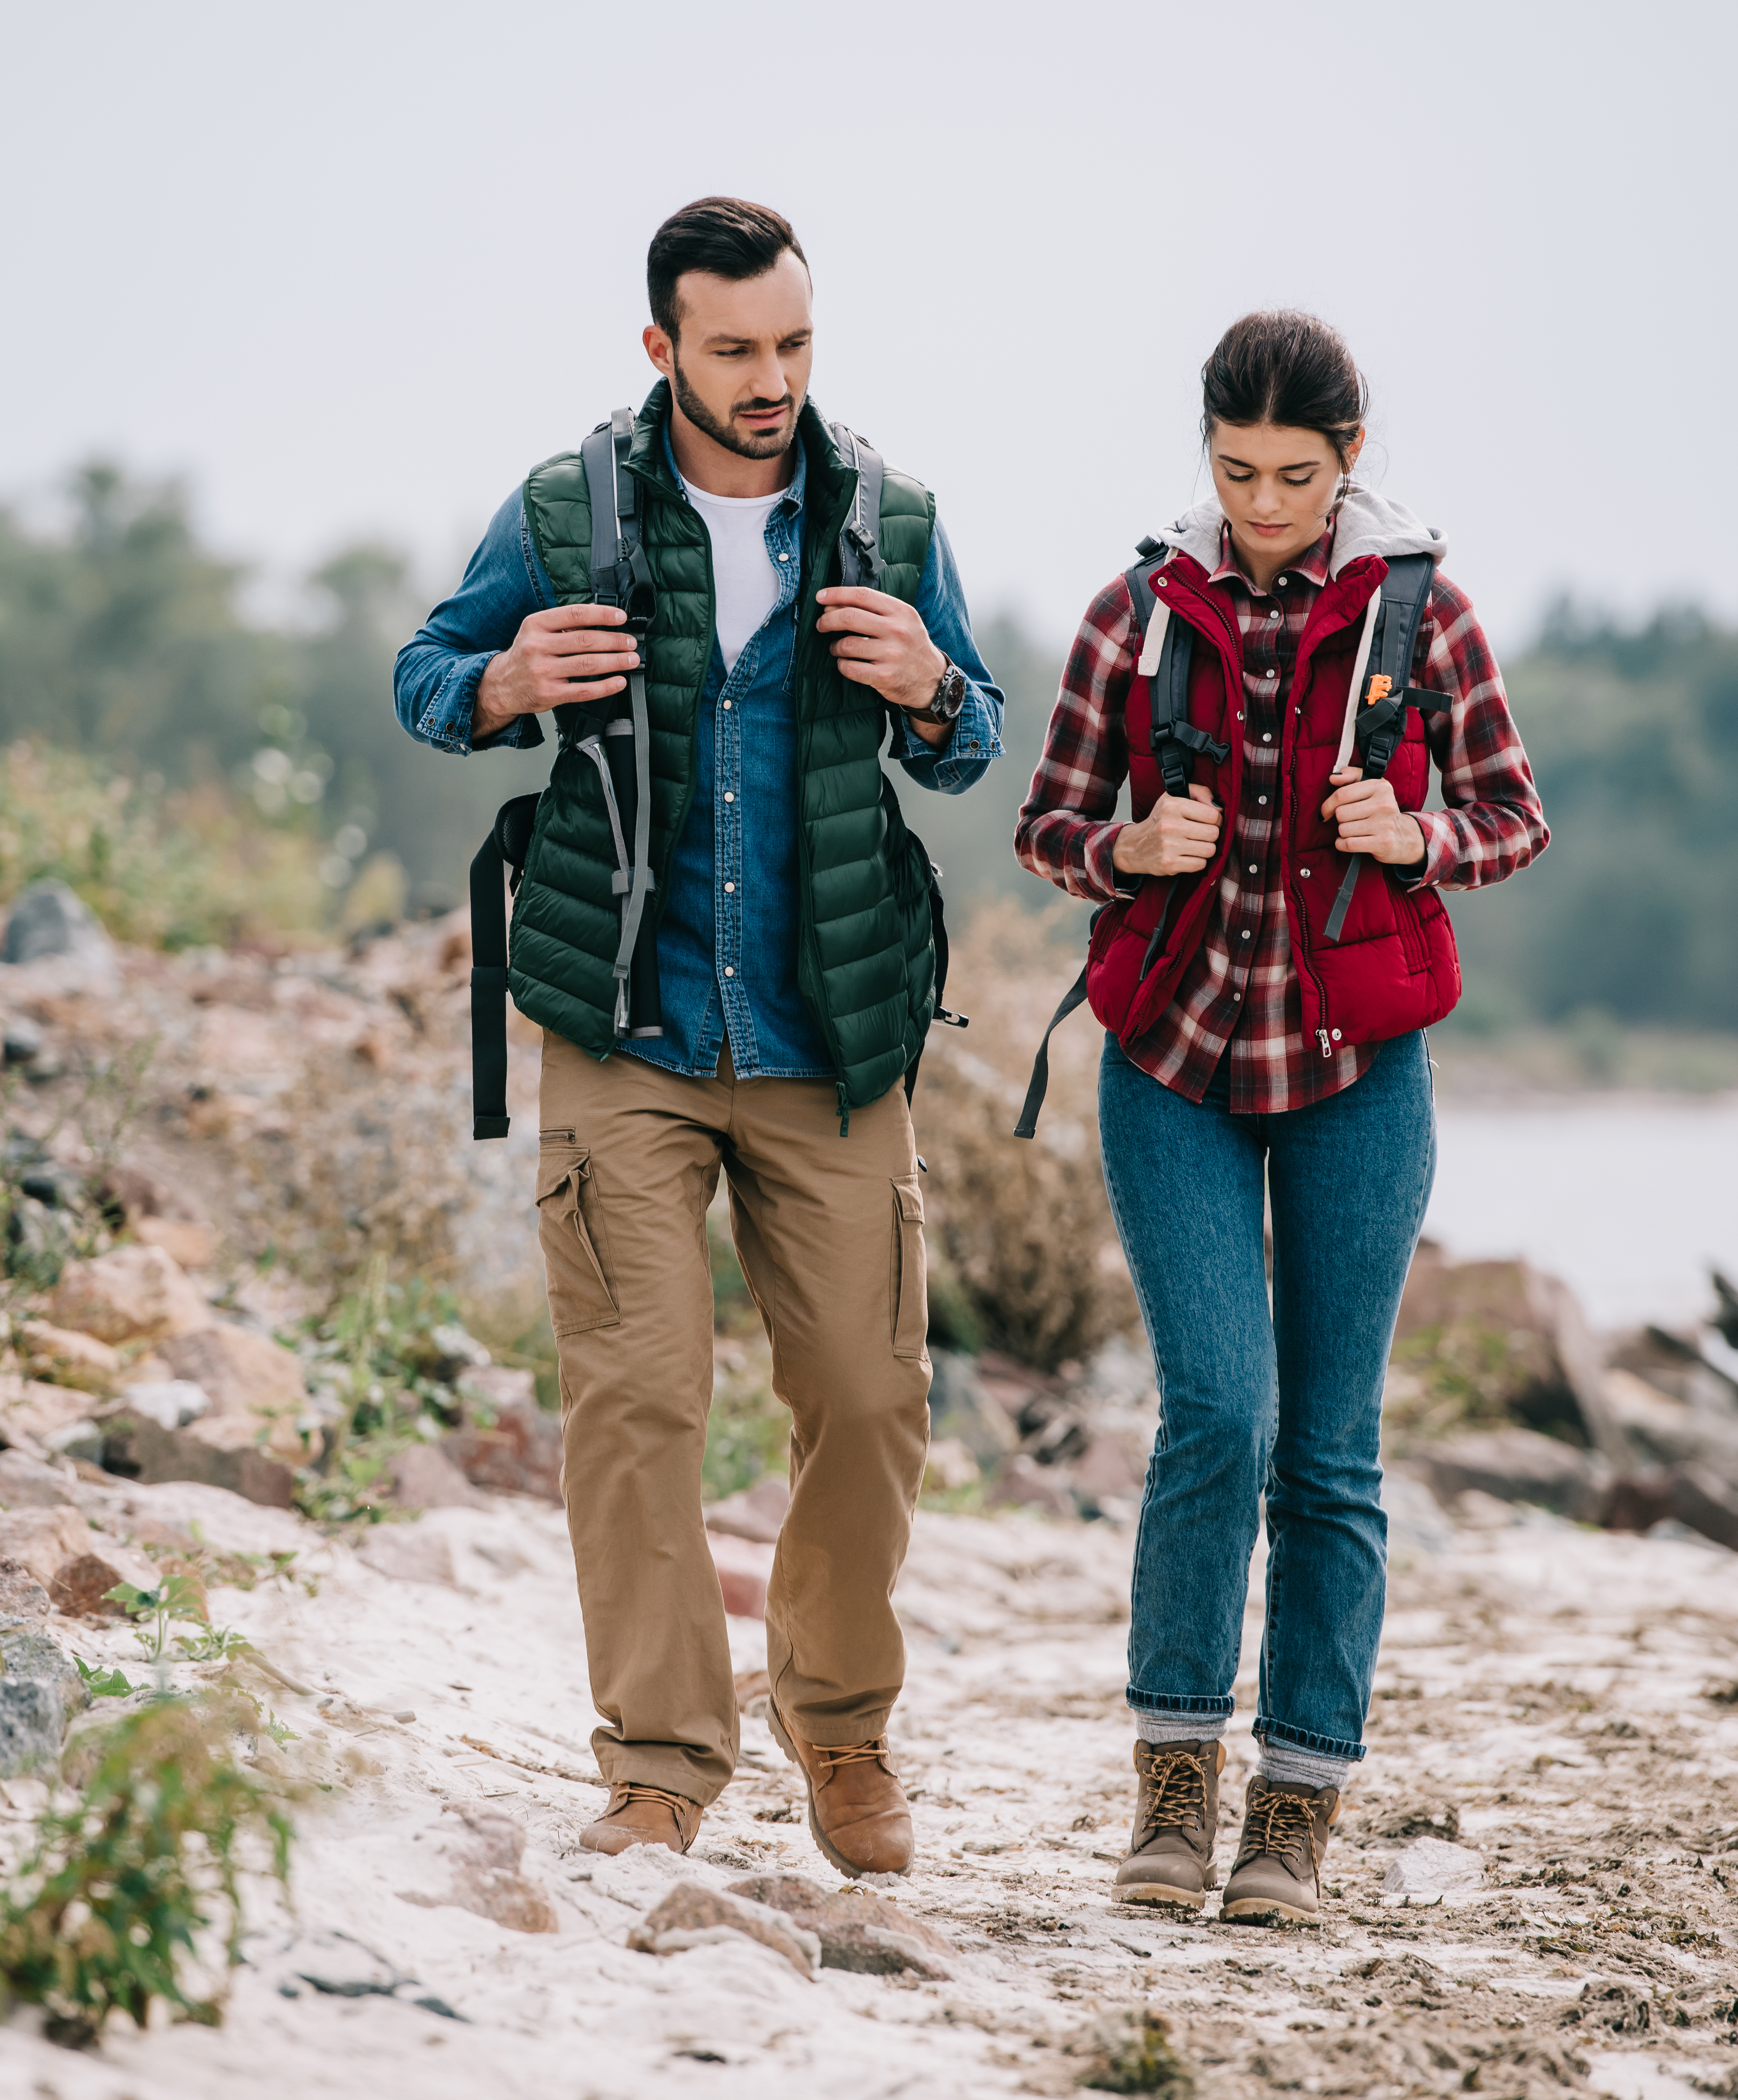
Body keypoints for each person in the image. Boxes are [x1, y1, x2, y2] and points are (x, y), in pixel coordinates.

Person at [392, 196, 1005, 1873]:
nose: (770, 379)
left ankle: (843, 1734)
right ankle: (658, 1763)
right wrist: (503, 681)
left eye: (794, 345)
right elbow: (426, 673)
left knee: (872, 1398)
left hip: (831, 1025)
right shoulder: (569, 510)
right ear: (660, 347)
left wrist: (934, 694)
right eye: (733, 349)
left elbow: (974, 740)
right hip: (622, 1021)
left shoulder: (888, 513)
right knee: (638, 1399)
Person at [1012, 311, 1547, 1923]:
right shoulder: (1134, 610)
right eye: (1236, 472)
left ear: (1351, 461)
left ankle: (1296, 1815)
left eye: (1294, 476)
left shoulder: (1425, 614)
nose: (1261, 502)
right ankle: (1173, 1792)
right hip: (1169, 1060)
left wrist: (1418, 831)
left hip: (1360, 1076)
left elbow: (1518, 818)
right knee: (1216, 1420)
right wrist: (1130, 856)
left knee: (1329, 1455)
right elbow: (1048, 825)